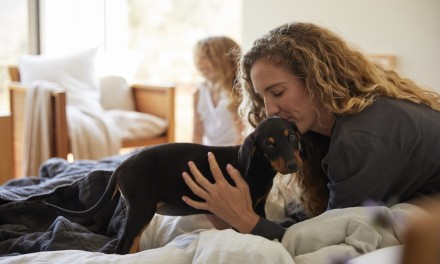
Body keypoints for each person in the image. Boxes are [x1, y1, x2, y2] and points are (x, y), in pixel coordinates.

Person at [180, 22, 440, 241]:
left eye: (278, 92)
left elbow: (323, 239)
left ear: (317, 79)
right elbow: (322, 217)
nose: (270, 110)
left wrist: (244, 218)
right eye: (262, 98)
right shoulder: (328, 131)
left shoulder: (360, 139)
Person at [192, 36, 243, 146]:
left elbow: (242, 136)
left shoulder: (237, 92)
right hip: (208, 151)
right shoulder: (199, 92)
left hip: (232, 152)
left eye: (208, 57)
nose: (200, 62)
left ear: (227, 59)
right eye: (200, 57)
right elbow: (197, 133)